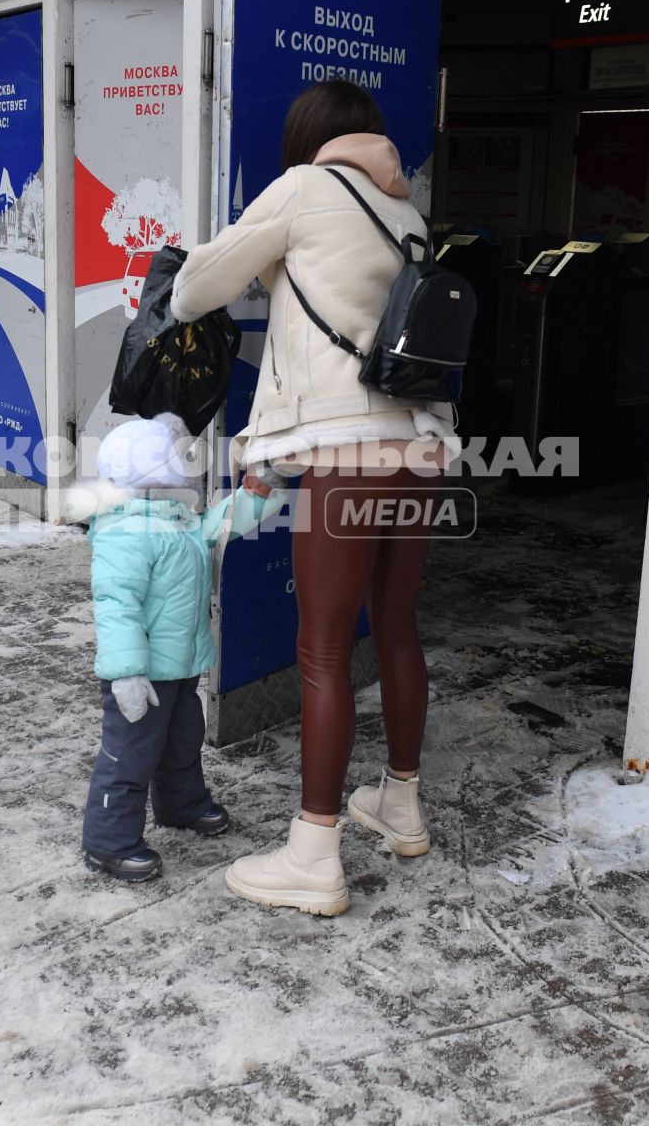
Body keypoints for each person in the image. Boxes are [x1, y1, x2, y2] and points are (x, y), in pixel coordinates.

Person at [169, 80, 459, 916]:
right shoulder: (408, 211)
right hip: (423, 447)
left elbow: (194, 291)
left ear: (308, 139)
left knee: (324, 651)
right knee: (396, 626)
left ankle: (313, 852)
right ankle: (398, 806)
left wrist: (262, 258)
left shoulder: (303, 187)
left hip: (348, 452)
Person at [72, 414, 285, 882]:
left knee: (183, 741)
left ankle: (182, 804)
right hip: (142, 676)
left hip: (182, 667)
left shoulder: (177, 520)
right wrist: (126, 673)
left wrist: (259, 492)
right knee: (130, 755)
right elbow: (116, 605)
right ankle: (108, 841)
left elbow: (220, 523)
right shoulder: (124, 532)